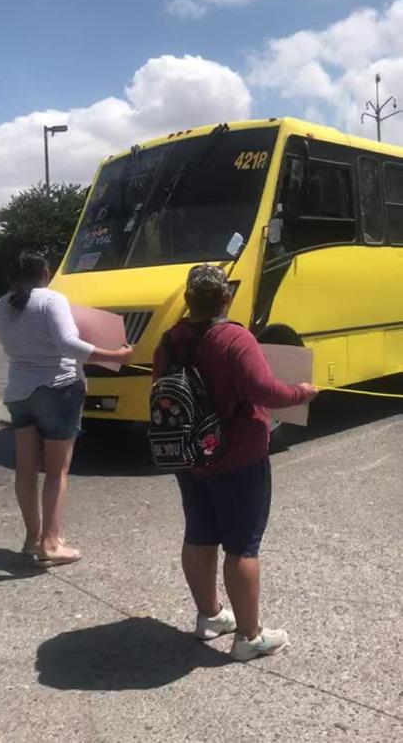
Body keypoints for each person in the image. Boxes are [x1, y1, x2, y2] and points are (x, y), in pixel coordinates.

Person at [152, 264, 317, 661]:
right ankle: (249, 636)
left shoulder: (169, 341)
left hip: (189, 454)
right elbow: (264, 390)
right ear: (225, 297)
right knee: (242, 546)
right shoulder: (234, 337)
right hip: (238, 455)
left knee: (200, 534)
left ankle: (209, 616)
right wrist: (301, 393)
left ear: (189, 299)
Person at [0, 251, 133, 568]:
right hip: (58, 388)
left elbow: (10, 345)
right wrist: (116, 355)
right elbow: (68, 345)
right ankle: (51, 542)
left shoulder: (4, 304)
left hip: (18, 391)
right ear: (45, 271)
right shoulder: (51, 300)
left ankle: (32, 538)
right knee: (56, 471)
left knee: (26, 469)